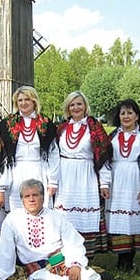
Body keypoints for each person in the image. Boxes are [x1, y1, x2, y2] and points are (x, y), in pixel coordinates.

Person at [0, 179, 111, 280]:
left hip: (61, 262)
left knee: (86, 278)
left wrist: (75, 264)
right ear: (22, 200)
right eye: (27, 196)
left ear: (42, 198)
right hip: (37, 268)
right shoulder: (13, 219)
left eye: (35, 195)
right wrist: (0, 276)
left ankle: (97, 278)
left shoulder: (56, 217)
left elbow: (73, 242)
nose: (31, 199)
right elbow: (5, 249)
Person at [55, 91, 111, 259]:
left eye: (79, 104)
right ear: (68, 108)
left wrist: (104, 183)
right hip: (65, 175)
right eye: (72, 105)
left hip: (86, 175)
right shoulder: (62, 128)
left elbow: (103, 156)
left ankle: (85, 257)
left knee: (84, 215)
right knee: (65, 215)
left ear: (85, 106)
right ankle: (65, 257)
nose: (76, 107)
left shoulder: (95, 127)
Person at [0, 86, 59, 225]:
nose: (23, 103)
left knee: (39, 212)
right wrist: (2, 187)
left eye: (27, 99)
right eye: (20, 100)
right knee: (17, 214)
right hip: (15, 173)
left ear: (34, 101)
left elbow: (53, 154)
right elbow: (3, 157)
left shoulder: (46, 124)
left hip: (39, 171)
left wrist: (52, 181)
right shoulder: (7, 125)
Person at [99, 99, 140, 271]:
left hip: (135, 180)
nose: (126, 116)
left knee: (133, 217)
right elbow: (105, 161)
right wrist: (104, 184)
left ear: (137, 116)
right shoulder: (112, 137)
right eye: (123, 113)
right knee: (117, 218)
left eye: (130, 113)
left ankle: (129, 260)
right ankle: (120, 258)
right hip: (116, 181)